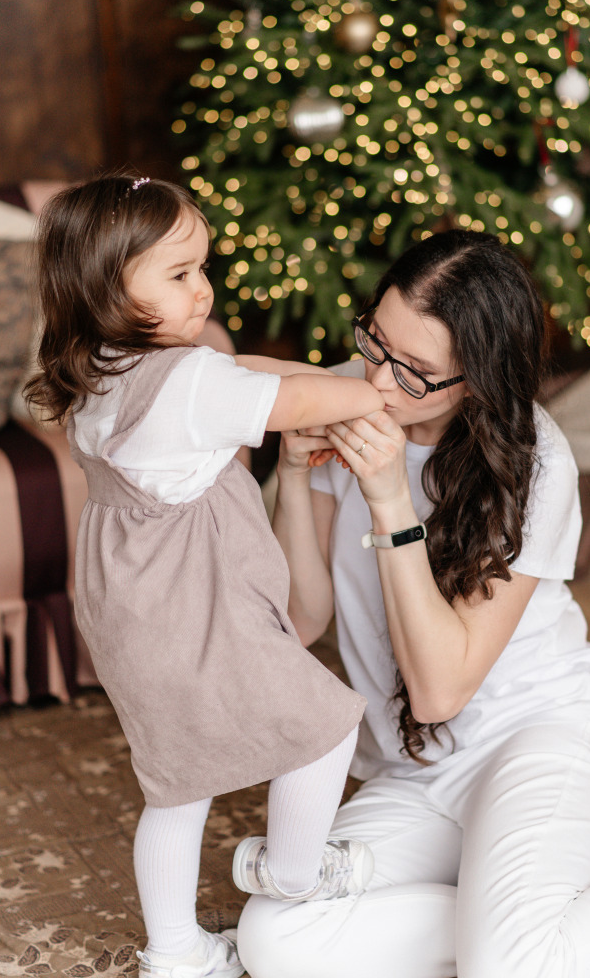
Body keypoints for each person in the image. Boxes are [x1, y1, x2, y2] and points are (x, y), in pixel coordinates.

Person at [237, 228, 590, 978]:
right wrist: (297, 477)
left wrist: (390, 498)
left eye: (416, 373)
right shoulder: (352, 388)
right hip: (413, 770)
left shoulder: (536, 461)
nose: (378, 383)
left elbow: (438, 690)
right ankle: (544, 919)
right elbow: (301, 620)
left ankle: (550, 925)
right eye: (375, 341)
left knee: (506, 970)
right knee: (274, 940)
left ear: (476, 380)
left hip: (539, 739)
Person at [25, 175, 385, 978]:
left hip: (132, 613)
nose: (205, 289)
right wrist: (377, 388)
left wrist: (292, 373)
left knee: (173, 784)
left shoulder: (104, 367)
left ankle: (176, 954)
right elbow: (291, 397)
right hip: (197, 611)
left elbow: (238, 366)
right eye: (180, 274)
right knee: (324, 728)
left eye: (203, 267)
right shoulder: (190, 386)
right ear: (110, 287)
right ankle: (291, 871)